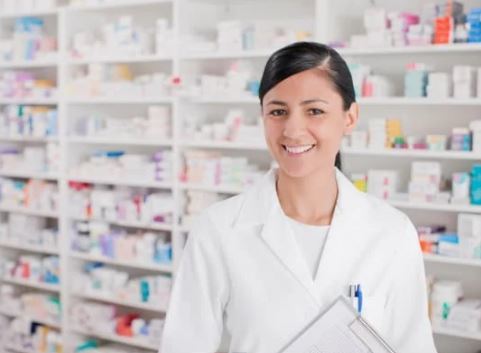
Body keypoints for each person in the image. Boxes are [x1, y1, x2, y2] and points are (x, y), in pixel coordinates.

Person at [160, 42, 437, 353]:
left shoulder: (392, 232)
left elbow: (414, 346)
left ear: (350, 116)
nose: (293, 130)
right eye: (278, 111)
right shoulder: (218, 229)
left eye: (314, 111)